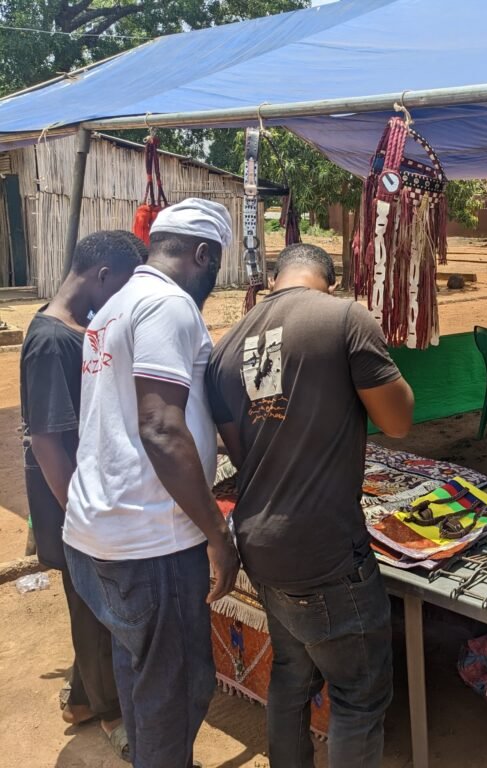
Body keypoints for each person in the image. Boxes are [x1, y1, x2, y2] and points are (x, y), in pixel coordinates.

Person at [205, 243, 414, 768]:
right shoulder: (344, 317)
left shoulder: (227, 346)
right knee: (359, 696)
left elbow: (243, 449)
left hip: (260, 542)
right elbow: (398, 421)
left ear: (275, 279)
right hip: (324, 551)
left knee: (291, 678)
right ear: (330, 280)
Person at [62, 199, 240, 768]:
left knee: (139, 672)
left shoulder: (115, 305)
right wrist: (216, 533)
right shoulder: (169, 304)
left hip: (98, 534)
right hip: (151, 543)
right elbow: (161, 426)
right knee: (177, 692)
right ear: (203, 254)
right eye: (215, 268)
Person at [20, 230, 145, 760]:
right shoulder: (52, 339)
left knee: (89, 600)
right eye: (120, 287)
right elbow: (47, 438)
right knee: (94, 606)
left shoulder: (78, 328)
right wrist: (80, 512)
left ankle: (79, 697)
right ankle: (112, 713)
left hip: (80, 492)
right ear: (101, 276)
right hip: (70, 497)